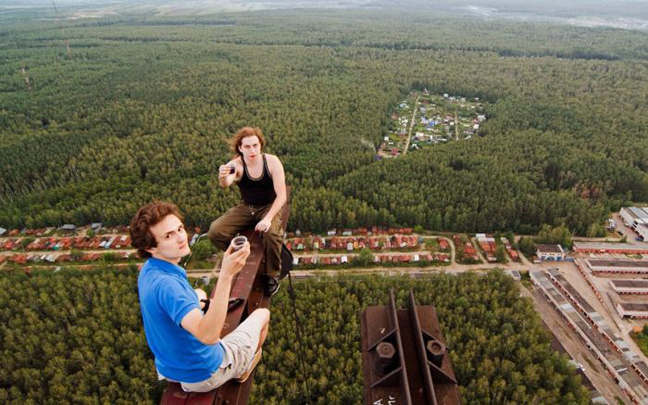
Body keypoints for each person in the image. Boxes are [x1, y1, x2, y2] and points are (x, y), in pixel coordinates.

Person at [131, 201, 270, 392]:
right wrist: (226, 275)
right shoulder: (170, 287)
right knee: (263, 315)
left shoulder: (149, 271)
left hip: (169, 368)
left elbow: (174, 302)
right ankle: (241, 369)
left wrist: (203, 302)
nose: (181, 238)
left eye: (179, 228)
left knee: (199, 294)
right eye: (168, 236)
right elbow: (209, 336)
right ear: (151, 247)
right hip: (203, 372)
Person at [208, 127, 287, 296]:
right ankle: (242, 253)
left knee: (272, 235)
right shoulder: (236, 165)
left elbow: (282, 195)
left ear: (260, 145)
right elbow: (226, 182)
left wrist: (268, 219)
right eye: (248, 146)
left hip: (268, 205)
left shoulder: (272, 162)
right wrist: (222, 176)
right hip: (247, 207)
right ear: (240, 148)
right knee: (215, 231)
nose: (253, 150)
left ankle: (272, 275)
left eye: (255, 145)